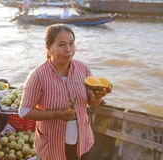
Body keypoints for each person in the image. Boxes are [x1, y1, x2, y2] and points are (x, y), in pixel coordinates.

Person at [18, 23, 112, 160]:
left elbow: (91, 103)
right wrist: (56, 114)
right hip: (52, 144)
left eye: (71, 43)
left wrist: (97, 97)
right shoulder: (38, 75)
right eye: (62, 45)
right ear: (49, 48)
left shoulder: (83, 69)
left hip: (82, 140)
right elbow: (24, 111)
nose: (68, 49)